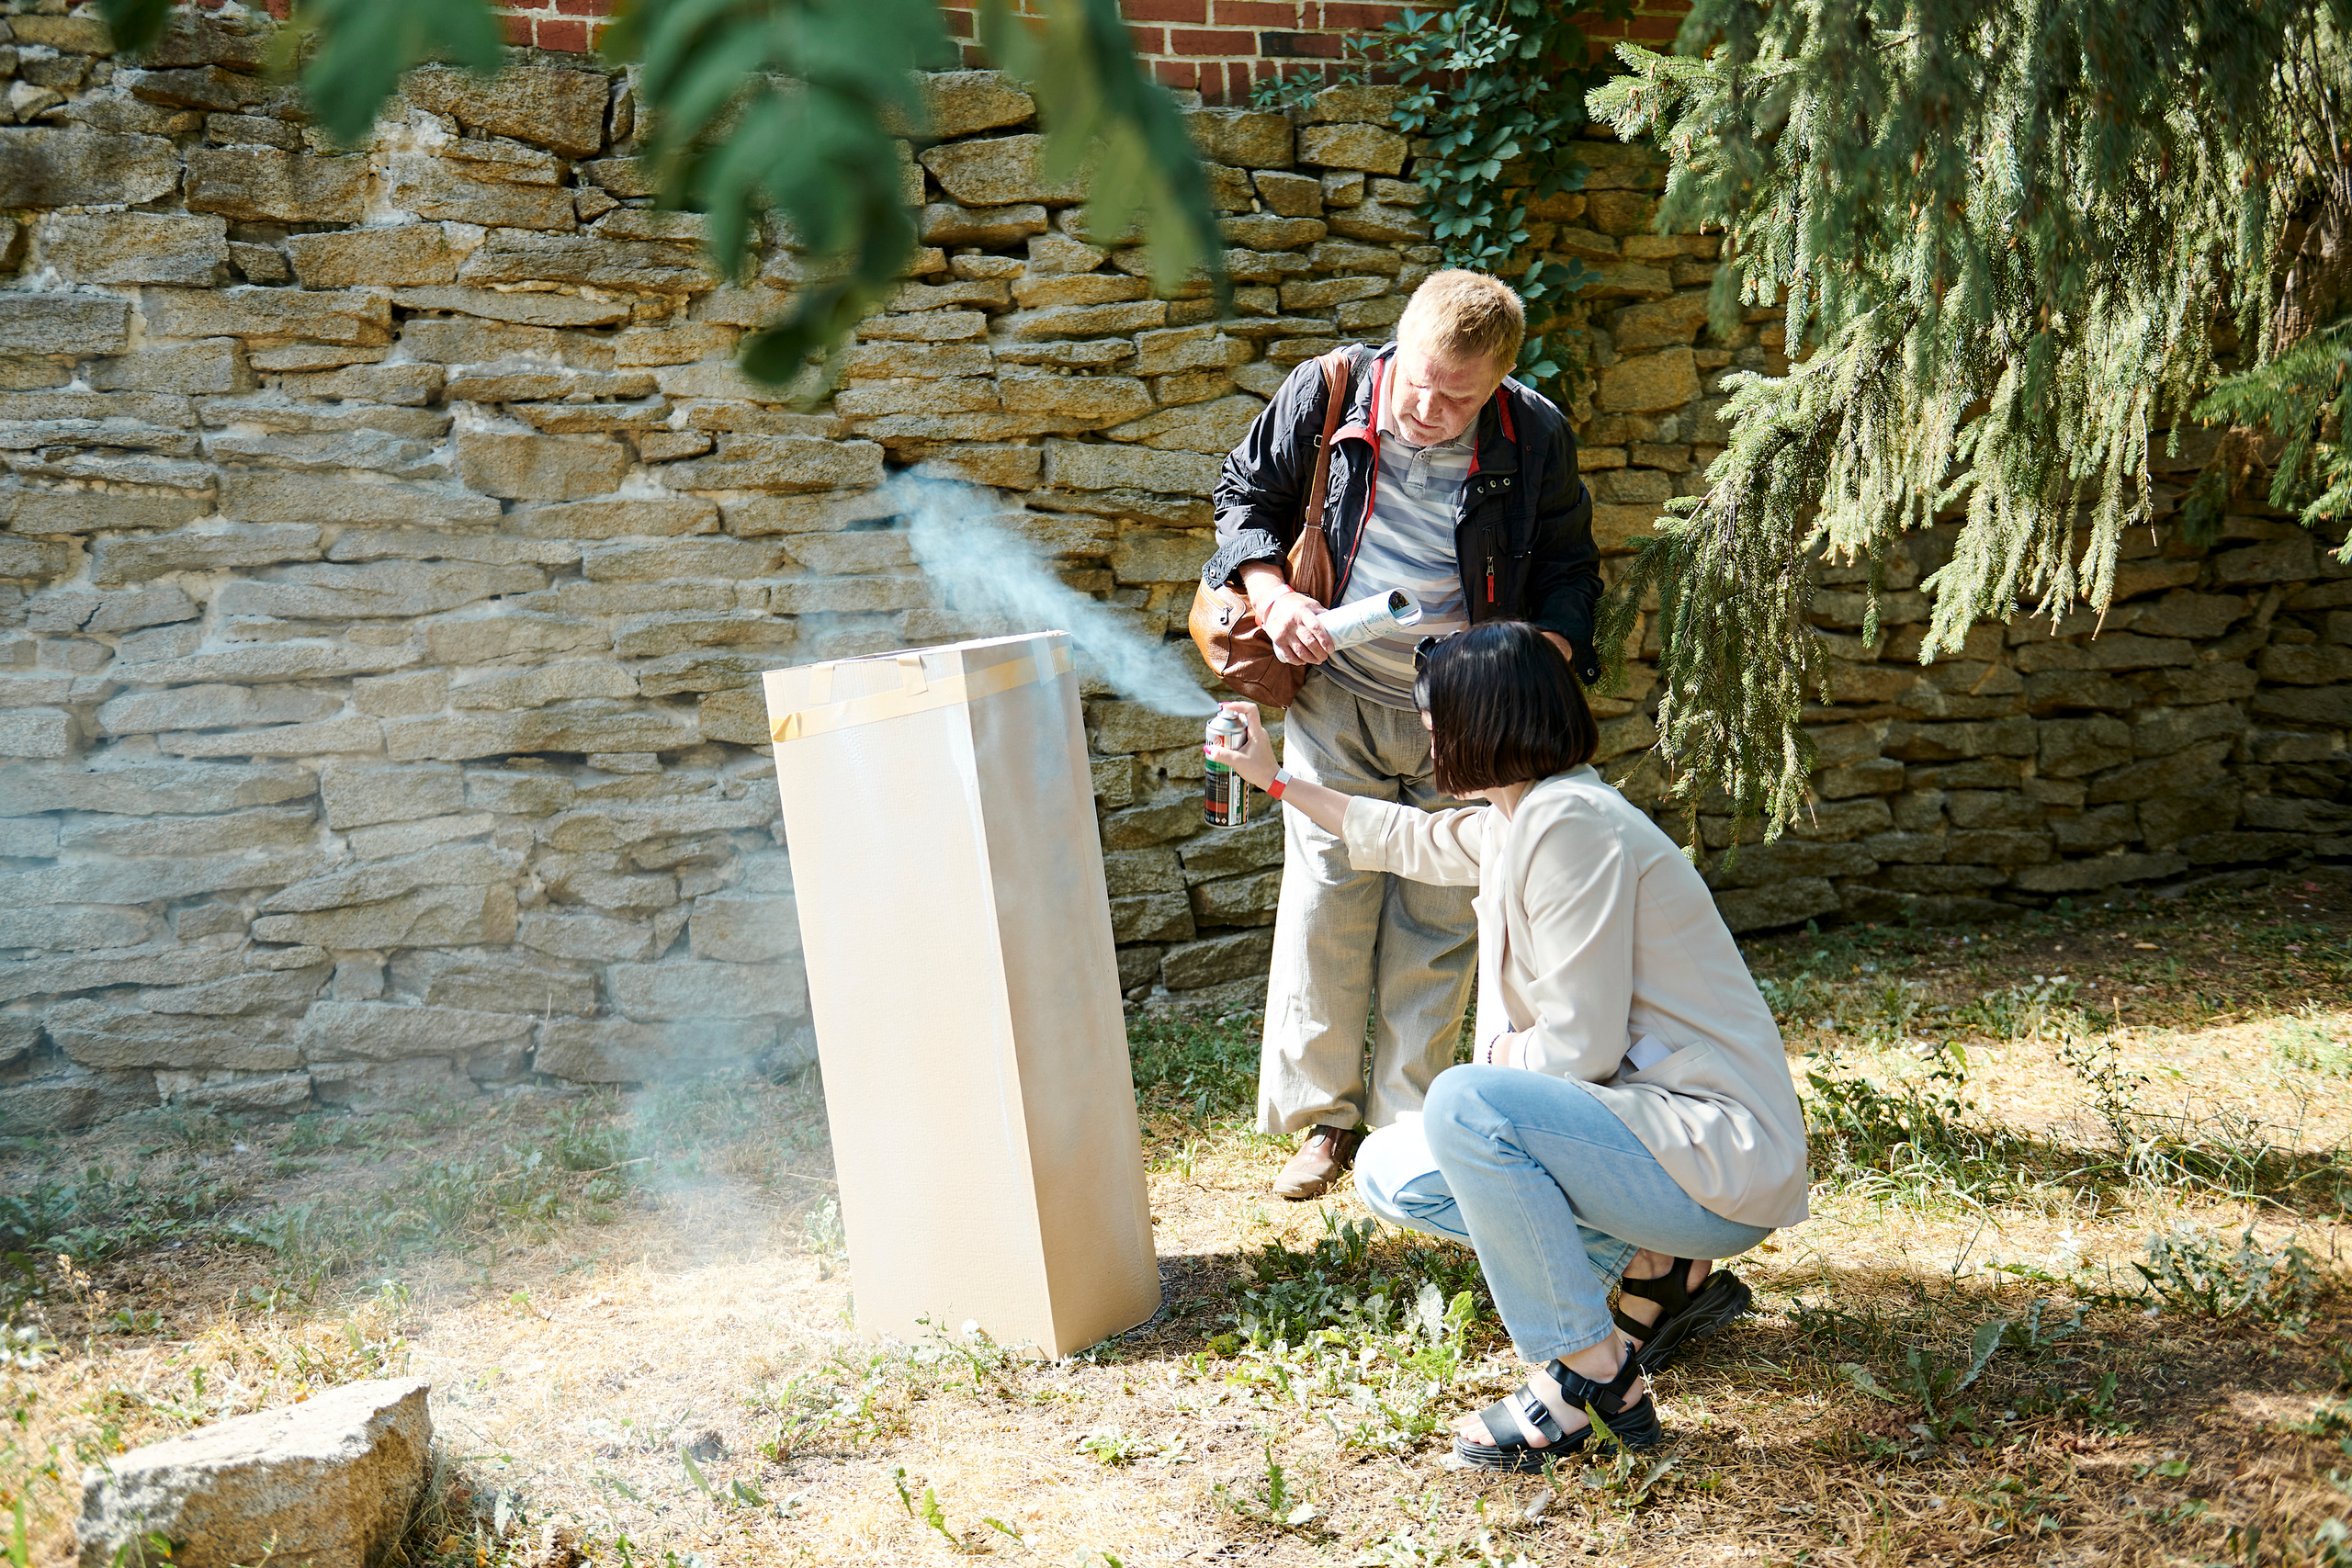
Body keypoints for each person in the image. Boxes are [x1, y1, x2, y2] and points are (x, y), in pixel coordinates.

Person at [1203, 623, 1809, 1472]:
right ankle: (1654, 1260)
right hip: (1651, 1146)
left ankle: (1592, 1374)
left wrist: (1487, 1075)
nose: (1428, 739)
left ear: (1486, 719)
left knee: (1461, 1102)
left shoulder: (1573, 827)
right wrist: (1273, 779)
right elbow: (1400, 836)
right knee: (1389, 1168)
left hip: (1716, 1159)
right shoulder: (1521, 818)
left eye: (1435, 720)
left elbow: (1579, 1047)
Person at [1204, 270, 1603, 1201]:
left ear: (1498, 385)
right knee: (1325, 900)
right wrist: (1275, 594)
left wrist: (1535, 652)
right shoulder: (1329, 390)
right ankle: (1322, 1126)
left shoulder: (1532, 432)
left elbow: (1570, 569)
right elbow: (1243, 497)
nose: (1428, 408)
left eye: (1456, 396)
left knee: (1438, 911)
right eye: (1418, 382)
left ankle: (1410, 1133)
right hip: (1334, 690)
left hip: (1457, 710)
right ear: (1399, 345)